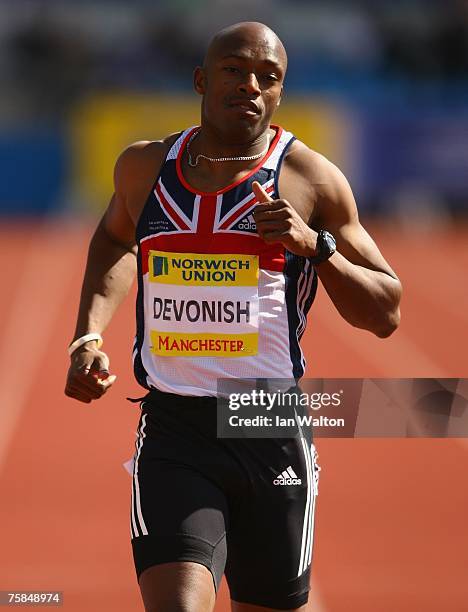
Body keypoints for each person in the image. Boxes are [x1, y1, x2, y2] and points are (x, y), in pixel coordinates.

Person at [65, 21, 402, 612]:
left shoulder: (310, 180)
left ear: (280, 94)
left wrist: (316, 247)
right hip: (175, 426)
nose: (251, 85)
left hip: (267, 423)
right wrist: (87, 336)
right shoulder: (144, 169)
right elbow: (117, 242)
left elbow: (385, 311)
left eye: (268, 78)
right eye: (235, 70)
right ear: (201, 79)